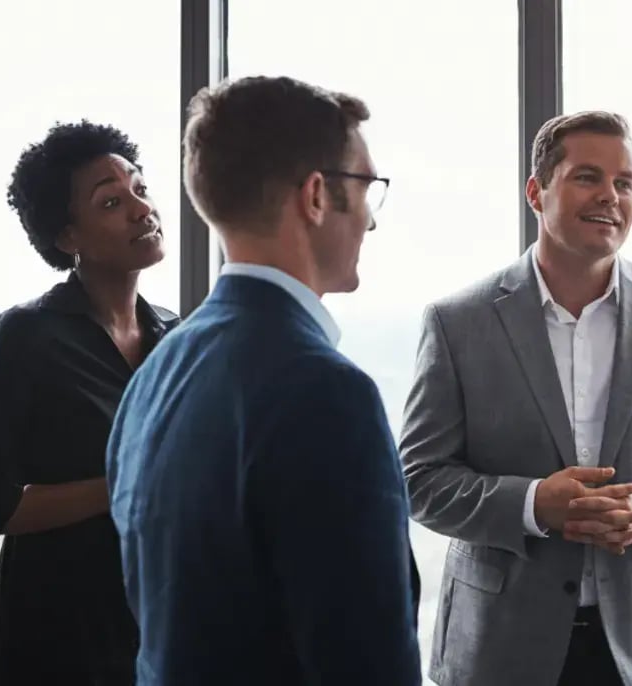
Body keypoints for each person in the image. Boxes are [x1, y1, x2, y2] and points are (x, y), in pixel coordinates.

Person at [399, 110, 632, 686]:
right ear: (536, 192)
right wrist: (534, 505)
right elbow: (418, 478)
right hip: (502, 647)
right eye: (588, 177)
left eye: (625, 182)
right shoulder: (456, 322)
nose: (610, 196)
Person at [106, 76, 420, 685]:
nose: (372, 223)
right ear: (315, 197)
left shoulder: (157, 374)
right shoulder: (327, 393)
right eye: (365, 188)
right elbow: (367, 662)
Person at [0, 121, 175, 684]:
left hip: (154, 637)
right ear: (68, 238)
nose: (142, 209)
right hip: (54, 643)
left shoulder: (177, 338)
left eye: (140, 189)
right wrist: (119, 487)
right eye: (112, 202)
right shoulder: (29, 336)